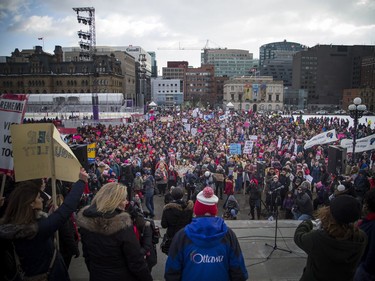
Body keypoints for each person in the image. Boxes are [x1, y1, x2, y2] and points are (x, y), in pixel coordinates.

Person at [0, 168, 88, 281]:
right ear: (31, 203)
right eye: (38, 197)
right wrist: (81, 182)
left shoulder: (10, 228)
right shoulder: (37, 230)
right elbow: (66, 210)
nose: (41, 199)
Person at [164, 186, 248, 281]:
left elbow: (171, 272)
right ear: (214, 210)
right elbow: (239, 271)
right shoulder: (228, 235)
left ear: (196, 210)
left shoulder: (182, 236)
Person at [76, 182, 153, 281]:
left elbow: (87, 255)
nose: (126, 202)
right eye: (124, 199)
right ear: (115, 200)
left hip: (97, 275)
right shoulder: (122, 224)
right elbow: (136, 261)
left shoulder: (86, 221)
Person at [294, 195, 367, 281]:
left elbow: (299, 236)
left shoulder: (318, 238)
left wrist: (307, 223)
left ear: (331, 215)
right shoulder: (361, 238)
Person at [160, 186, 194, 254]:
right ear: (182, 195)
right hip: (185, 236)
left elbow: (164, 225)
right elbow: (191, 222)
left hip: (172, 236)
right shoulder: (189, 208)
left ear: (172, 195)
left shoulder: (168, 209)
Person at [354, 189, 375, 280]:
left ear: (366, 206)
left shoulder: (371, 226)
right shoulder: (367, 223)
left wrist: (365, 268)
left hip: (366, 271)